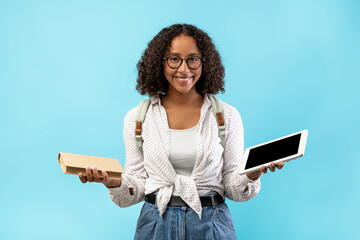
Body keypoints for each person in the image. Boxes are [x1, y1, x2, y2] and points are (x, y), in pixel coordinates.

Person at [78, 24, 284, 239]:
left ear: (205, 63)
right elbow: (136, 188)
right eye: (174, 59)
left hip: (211, 223)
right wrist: (113, 182)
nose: (184, 69)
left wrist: (253, 173)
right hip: (156, 222)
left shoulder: (227, 116)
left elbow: (232, 189)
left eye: (192, 59)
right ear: (160, 62)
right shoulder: (137, 118)